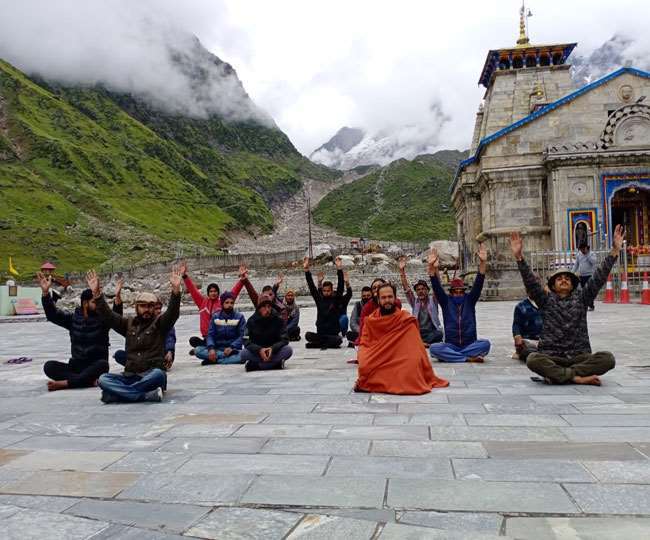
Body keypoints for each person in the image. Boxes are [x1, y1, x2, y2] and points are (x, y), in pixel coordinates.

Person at [510, 226, 623, 386]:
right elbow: (530, 281)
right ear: (553, 286)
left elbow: (599, 276)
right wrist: (519, 257)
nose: (563, 280)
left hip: (579, 357)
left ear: (572, 285)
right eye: (559, 278)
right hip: (552, 356)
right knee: (533, 359)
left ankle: (563, 376)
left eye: (567, 278)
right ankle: (576, 377)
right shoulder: (545, 300)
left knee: (608, 359)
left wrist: (614, 251)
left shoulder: (583, 298)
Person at [88, 268, 181, 403]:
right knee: (103, 379)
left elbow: (172, 313)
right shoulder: (128, 324)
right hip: (130, 375)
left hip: (151, 375)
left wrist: (176, 291)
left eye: (150, 306)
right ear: (137, 308)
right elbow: (109, 316)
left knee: (159, 374)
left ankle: (118, 394)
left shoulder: (160, 324)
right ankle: (144, 395)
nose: (147, 309)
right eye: (143, 306)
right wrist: (96, 294)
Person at [355, 283, 449, 394]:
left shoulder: (405, 319)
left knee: (411, 368)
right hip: (379, 359)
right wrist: (364, 359)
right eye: (383, 298)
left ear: (395, 298)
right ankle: (390, 378)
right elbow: (365, 345)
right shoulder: (371, 321)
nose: (387, 300)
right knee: (364, 367)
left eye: (390, 297)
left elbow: (416, 350)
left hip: (400, 360)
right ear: (378, 300)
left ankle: (382, 380)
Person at [37, 272, 111, 391]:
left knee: (103, 365)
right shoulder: (73, 319)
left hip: (95, 366)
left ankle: (67, 383)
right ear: (85, 303)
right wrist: (46, 294)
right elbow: (53, 315)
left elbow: (117, 317)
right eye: (94, 302)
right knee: (49, 366)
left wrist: (99, 294)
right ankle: (84, 380)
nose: (97, 305)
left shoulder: (104, 319)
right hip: (76, 366)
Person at [428, 244, 491, 363]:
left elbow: (479, 283)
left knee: (485, 344)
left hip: (470, 344)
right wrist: (431, 267)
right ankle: (467, 358)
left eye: (460, 291)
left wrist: (483, 263)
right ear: (451, 292)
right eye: (455, 291)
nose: (458, 293)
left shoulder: (470, 300)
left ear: (464, 291)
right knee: (434, 348)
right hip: (451, 345)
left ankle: (453, 356)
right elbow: (436, 286)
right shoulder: (446, 302)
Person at [180, 261, 244, 348]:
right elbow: (192, 290)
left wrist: (242, 280)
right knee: (193, 340)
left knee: (203, 349)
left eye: (215, 291)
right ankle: (207, 347)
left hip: (220, 337)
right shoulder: (202, 302)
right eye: (211, 291)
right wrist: (184, 276)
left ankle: (207, 349)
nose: (213, 293)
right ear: (208, 293)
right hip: (207, 337)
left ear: (218, 293)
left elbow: (234, 292)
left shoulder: (223, 302)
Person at [114, 293, 176, 370]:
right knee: (119, 355)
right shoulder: (134, 323)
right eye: (156, 309)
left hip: (158, 358)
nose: (159, 311)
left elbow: (170, 338)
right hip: (139, 360)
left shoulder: (163, 322)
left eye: (160, 308)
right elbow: (117, 321)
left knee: (158, 374)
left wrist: (170, 351)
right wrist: (117, 303)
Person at [398, 256, 443, 346]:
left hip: (431, 332)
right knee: (405, 332)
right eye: (418, 290)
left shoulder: (433, 301)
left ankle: (422, 343)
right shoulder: (415, 302)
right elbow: (406, 289)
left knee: (439, 334)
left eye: (423, 289)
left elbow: (438, 286)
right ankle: (424, 343)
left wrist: (435, 267)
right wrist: (402, 270)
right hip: (418, 332)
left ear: (427, 290)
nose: (421, 291)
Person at [303, 256, 345, 349]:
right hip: (321, 333)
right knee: (308, 335)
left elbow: (341, 286)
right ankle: (324, 343)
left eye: (328, 291)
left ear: (331, 290)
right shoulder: (319, 300)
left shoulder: (335, 300)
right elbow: (312, 288)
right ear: (322, 291)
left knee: (338, 340)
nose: (326, 293)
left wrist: (339, 269)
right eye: (324, 291)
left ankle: (319, 343)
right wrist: (306, 271)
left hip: (333, 334)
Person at [241, 298, 293, 371]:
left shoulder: (278, 320)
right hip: (257, 352)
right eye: (264, 307)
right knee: (243, 353)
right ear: (259, 308)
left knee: (288, 350)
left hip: (273, 351)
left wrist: (272, 348)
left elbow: (285, 339)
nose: (267, 309)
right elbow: (245, 340)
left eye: (269, 307)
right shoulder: (251, 321)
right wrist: (259, 350)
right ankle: (274, 364)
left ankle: (257, 365)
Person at [195, 291, 246, 365]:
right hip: (218, 349)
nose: (229, 305)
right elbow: (210, 335)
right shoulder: (215, 317)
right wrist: (211, 348)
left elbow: (243, 336)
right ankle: (223, 358)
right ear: (222, 304)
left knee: (243, 356)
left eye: (232, 303)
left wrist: (232, 347)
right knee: (197, 350)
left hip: (233, 350)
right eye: (227, 302)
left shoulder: (239, 317)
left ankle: (216, 360)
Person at [512, 290, 543, 362]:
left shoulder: (549, 303)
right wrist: (517, 335)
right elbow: (516, 324)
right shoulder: (521, 306)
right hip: (529, 341)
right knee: (527, 352)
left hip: (546, 341)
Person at [272, 275, 301, 341]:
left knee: (296, 329)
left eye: (291, 295)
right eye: (288, 295)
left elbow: (294, 322)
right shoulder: (280, 302)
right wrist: (276, 285)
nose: (290, 297)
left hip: (288, 328)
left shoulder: (296, 308)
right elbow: (273, 295)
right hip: (280, 326)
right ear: (285, 296)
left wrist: (285, 330)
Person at [573, 242, 597, 311]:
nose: (582, 251)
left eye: (583, 249)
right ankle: (585, 305)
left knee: (589, 291)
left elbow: (593, 262)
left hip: (590, 275)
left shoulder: (591, 254)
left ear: (586, 248)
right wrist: (571, 273)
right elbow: (576, 265)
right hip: (582, 276)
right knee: (584, 291)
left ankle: (591, 305)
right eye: (581, 250)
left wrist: (587, 255)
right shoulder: (579, 255)